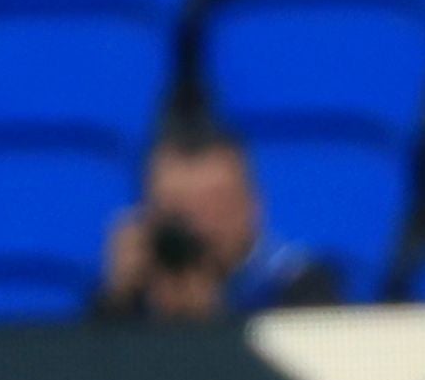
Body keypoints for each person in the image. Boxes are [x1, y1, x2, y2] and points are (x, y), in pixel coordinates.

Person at [98, 120, 344, 317]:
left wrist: (211, 322)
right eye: (176, 209)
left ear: (252, 206)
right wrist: (117, 303)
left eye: (213, 206)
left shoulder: (300, 286)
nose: (194, 226)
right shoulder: (136, 291)